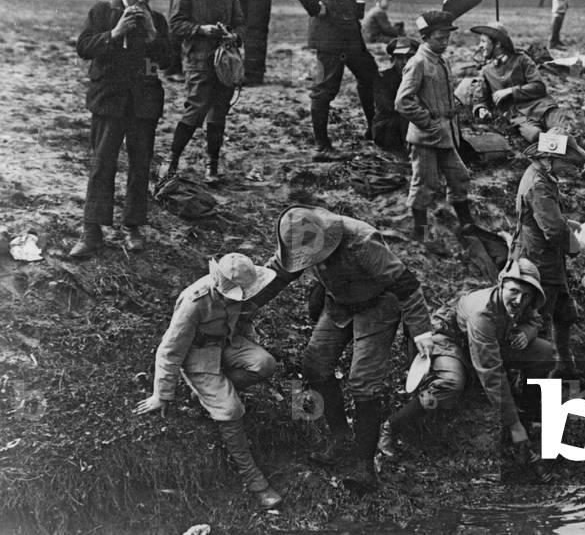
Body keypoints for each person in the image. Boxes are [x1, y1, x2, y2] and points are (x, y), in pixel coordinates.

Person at [249, 206, 435, 492]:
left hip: (379, 305)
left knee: (363, 382)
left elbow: (406, 284)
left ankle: (364, 465)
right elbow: (275, 275)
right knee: (314, 364)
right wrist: (246, 307)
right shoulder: (298, 240)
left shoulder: (360, 241)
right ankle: (340, 436)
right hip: (338, 303)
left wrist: (421, 329)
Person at [376, 259, 553, 482]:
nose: (519, 301)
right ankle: (392, 425)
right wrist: (513, 425)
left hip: (489, 342)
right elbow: (491, 372)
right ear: (501, 286)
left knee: (545, 353)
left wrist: (527, 333)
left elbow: (534, 318)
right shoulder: (482, 314)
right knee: (450, 384)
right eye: (514, 292)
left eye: (526, 295)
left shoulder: (521, 302)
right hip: (451, 342)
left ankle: (527, 412)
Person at [134, 253, 282, 509]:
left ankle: (209, 395)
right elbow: (170, 351)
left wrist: (247, 342)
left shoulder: (241, 288)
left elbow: (242, 322)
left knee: (264, 363)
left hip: (227, 345)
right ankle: (254, 479)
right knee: (231, 409)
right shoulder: (195, 302)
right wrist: (162, 394)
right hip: (198, 356)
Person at [70, 0, 170, 258]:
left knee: (140, 166)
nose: (140, 0)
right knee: (102, 163)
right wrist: (114, 33)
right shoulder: (102, 12)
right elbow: (84, 47)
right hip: (109, 101)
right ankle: (92, 230)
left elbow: (169, 62)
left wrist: (153, 34)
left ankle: (132, 227)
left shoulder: (157, 20)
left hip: (143, 103)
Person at [470, 20, 585, 179]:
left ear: (497, 43)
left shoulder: (522, 59)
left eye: (484, 41)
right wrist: (481, 109)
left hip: (543, 107)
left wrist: (511, 91)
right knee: (538, 138)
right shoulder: (486, 70)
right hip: (520, 117)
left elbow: (539, 86)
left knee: (566, 132)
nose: (480, 45)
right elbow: (480, 97)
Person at [293, 0, 377, 154]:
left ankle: (374, 129)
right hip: (331, 32)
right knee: (327, 86)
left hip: (347, 30)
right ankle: (322, 145)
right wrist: (316, 9)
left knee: (370, 75)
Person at [163, 0, 245, 184]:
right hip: (198, 61)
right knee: (196, 108)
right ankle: (172, 160)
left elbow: (241, 23)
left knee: (219, 112)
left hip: (225, 64)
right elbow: (175, 24)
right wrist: (201, 29)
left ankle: (212, 164)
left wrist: (235, 36)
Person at [395, 10, 476, 240]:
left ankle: (466, 224)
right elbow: (403, 101)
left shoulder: (442, 61)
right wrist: (427, 122)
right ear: (426, 37)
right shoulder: (418, 62)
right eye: (439, 38)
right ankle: (419, 232)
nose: (444, 42)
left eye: (447, 38)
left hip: (445, 135)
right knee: (424, 185)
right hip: (425, 138)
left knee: (459, 176)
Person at [511, 138, 583, 379]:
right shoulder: (538, 184)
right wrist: (575, 245)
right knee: (536, 322)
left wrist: (567, 226)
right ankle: (532, 384)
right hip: (537, 262)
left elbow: (551, 220)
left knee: (565, 313)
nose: (568, 167)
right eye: (564, 161)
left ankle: (565, 368)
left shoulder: (544, 177)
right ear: (549, 159)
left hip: (549, 260)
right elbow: (552, 230)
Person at [371, 36, 419, 153]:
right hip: (388, 129)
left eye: (409, 57)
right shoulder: (383, 79)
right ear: (392, 59)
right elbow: (389, 108)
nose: (405, 62)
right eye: (400, 58)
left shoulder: (420, 77)